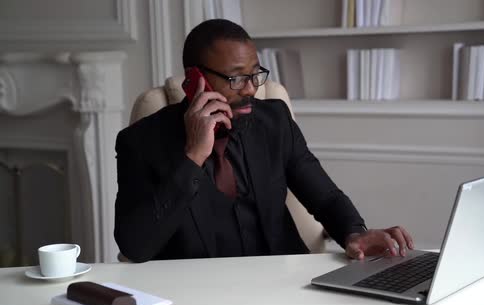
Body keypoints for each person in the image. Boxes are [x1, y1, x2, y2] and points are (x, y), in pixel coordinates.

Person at [114, 19, 414, 263]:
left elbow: (325, 197)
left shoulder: (274, 122)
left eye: (255, 74)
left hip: (281, 284)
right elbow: (136, 245)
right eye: (236, 79)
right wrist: (193, 156)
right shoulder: (140, 142)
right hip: (196, 297)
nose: (250, 89)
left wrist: (353, 233)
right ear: (194, 81)